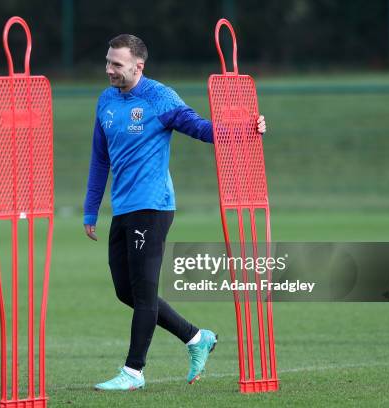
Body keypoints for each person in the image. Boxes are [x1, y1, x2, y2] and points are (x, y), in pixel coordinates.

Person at [83, 34, 266, 390]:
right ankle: (197, 338)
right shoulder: (105, 100)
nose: (109, 69)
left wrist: (245, 130)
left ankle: (133, 372)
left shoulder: (160, 98)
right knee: (127, 291)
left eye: (116, 64)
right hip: (123, 208)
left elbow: (200, 128)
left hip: (152, 206)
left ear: (139, 66)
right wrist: (91, 209)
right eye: (107, 62)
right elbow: (99, 159)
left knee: (144, 291)